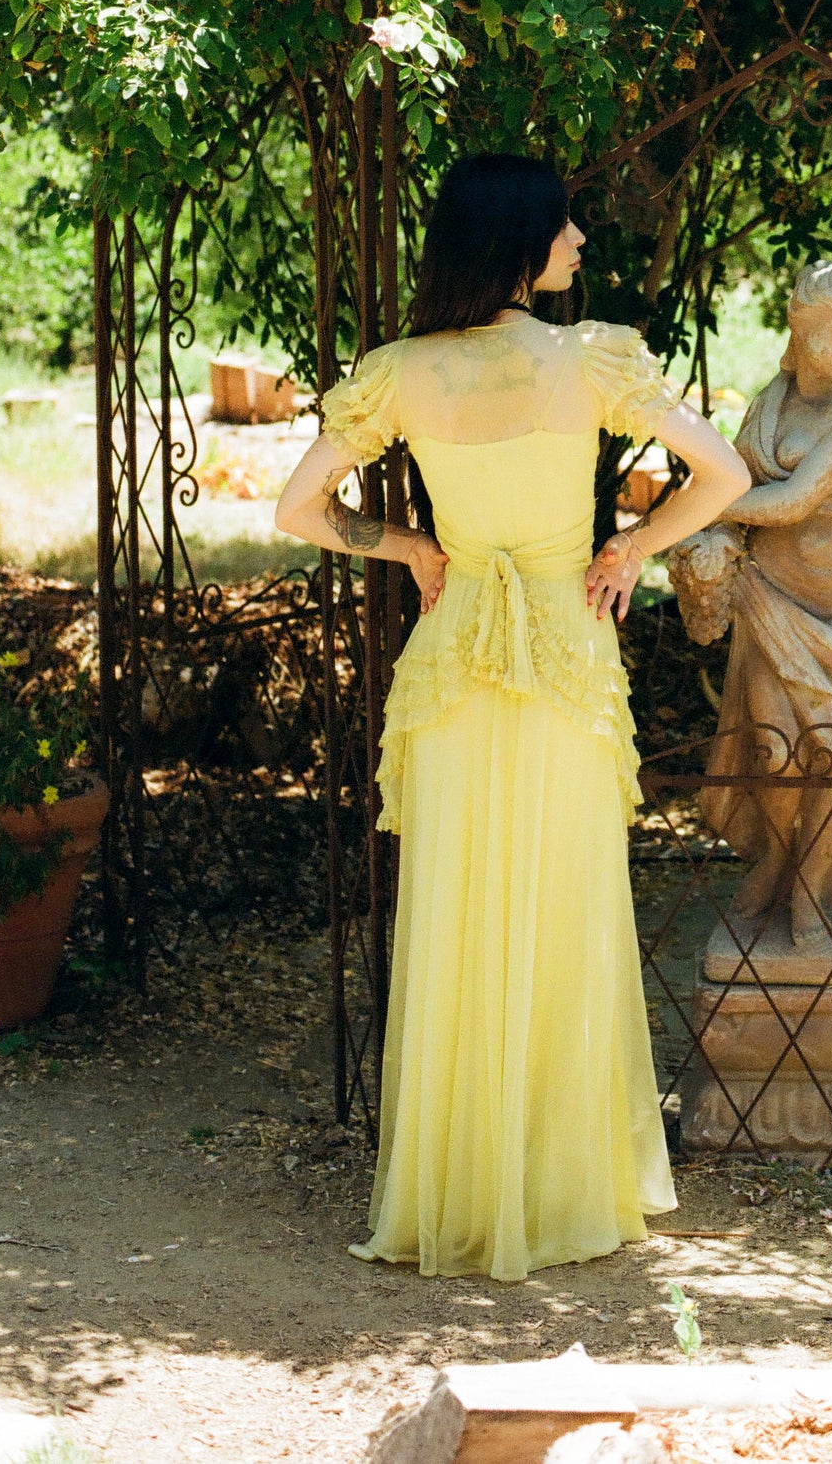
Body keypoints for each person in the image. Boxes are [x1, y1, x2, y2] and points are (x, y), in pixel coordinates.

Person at [274, 154, 750, 1281]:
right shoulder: (593, 359)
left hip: (451, 659)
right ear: (520, 242)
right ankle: (559, 1186)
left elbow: (297, 507)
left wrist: (410, 548)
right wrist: (631, 547)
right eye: (564, 225)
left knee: (454, 910)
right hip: (566, 648)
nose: (580, 239)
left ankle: (457, 1190)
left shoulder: (397, 373)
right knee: (563, 907)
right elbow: (721, 473)